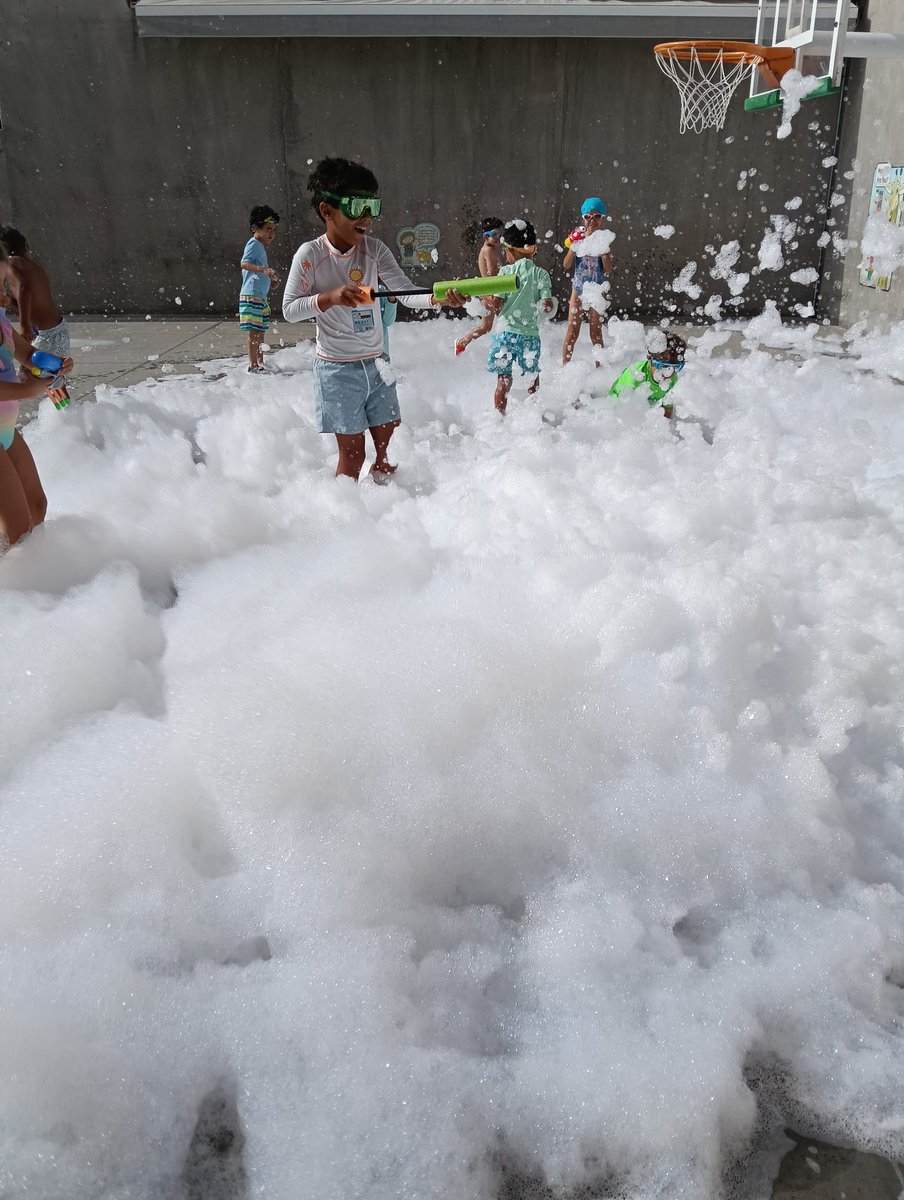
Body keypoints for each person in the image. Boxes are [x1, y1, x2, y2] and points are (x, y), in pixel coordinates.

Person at [282, 156, 465, 481]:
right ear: (327, 210)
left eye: (373, 207)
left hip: (378, 364)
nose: (367, 218)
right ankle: (344, 507)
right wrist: (330, 297)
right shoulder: (311, 255)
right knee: (354, 453)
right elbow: (290, 309)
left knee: (388, 444)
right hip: (338, 370)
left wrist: (438, 297)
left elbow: (404, 291)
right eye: (357, 207)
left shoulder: (375, 250)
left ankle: (384, 499)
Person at [0, 245, 75, 547]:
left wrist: (56, 363)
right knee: (18, 529)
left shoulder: (1, 322)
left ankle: (25, 571)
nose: (2, 292)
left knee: (36, 507)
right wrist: (31, 389)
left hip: (6, 432)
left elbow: (28, 354)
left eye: (2, 281)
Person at [485, 219, 554, 414]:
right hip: (529, 336)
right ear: (533, 249)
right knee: (532, 378)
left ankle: (499, 417)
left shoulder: (505, 273)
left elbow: (497, 306)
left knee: (503, 378)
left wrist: (485, 299)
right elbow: (547, 306)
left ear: (509, 250)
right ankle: (535, 415)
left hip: (504, 335)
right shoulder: (541, 274)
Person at [0, 226, 70, 359]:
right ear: (25, 246)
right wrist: (11, 302)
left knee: (29, 371)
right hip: (58, 330)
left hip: (45, 335)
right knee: (45, 372)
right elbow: (34, 305)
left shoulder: (11, 263)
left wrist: (25, 325)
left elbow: (24, 288)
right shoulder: (33, 266)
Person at [561, 197, 613, 367]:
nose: (592, 220)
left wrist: (604, 253)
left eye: (597, 216)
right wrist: (573, 247)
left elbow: (608, 269)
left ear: (602, 218)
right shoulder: (578, 238)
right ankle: (565, 366)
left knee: (596, 332)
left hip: (596, 292)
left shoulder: (603, 239)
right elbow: (566, 264)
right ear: (583, 218)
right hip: (578, 290)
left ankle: (600, 369)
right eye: (588, 217)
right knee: (572, 331)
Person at [608, 331, 687, 419]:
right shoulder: (636, 378)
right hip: (617, 402)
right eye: (663, 367)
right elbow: (624, 413)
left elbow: (667, 408)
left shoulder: (672, 379)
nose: (669, 374)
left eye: (676, 367)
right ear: (650, 360)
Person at [239, 205, 280, 373]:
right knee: (254, 332)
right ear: (255, 228)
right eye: (268, 229)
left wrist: (270, 280)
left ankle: (260, 362)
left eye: (274, 230)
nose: (272, 234)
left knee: (260, 331)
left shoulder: (260, 246)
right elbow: (244, 263)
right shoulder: (254, 244)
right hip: (252, 295)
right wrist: (263, 270)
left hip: (259, 296)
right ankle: (253, 365)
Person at [454, 217, 503, 357]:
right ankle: (502, 350)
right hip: (490, 292)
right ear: (485, 237)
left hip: (489, 290)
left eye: (501, 234)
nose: (499, 238)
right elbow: (492, 271)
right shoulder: (488, 250)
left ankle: (462, 342)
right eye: (495, 234)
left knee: (485, 327)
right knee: (506, 320)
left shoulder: (490, 248)